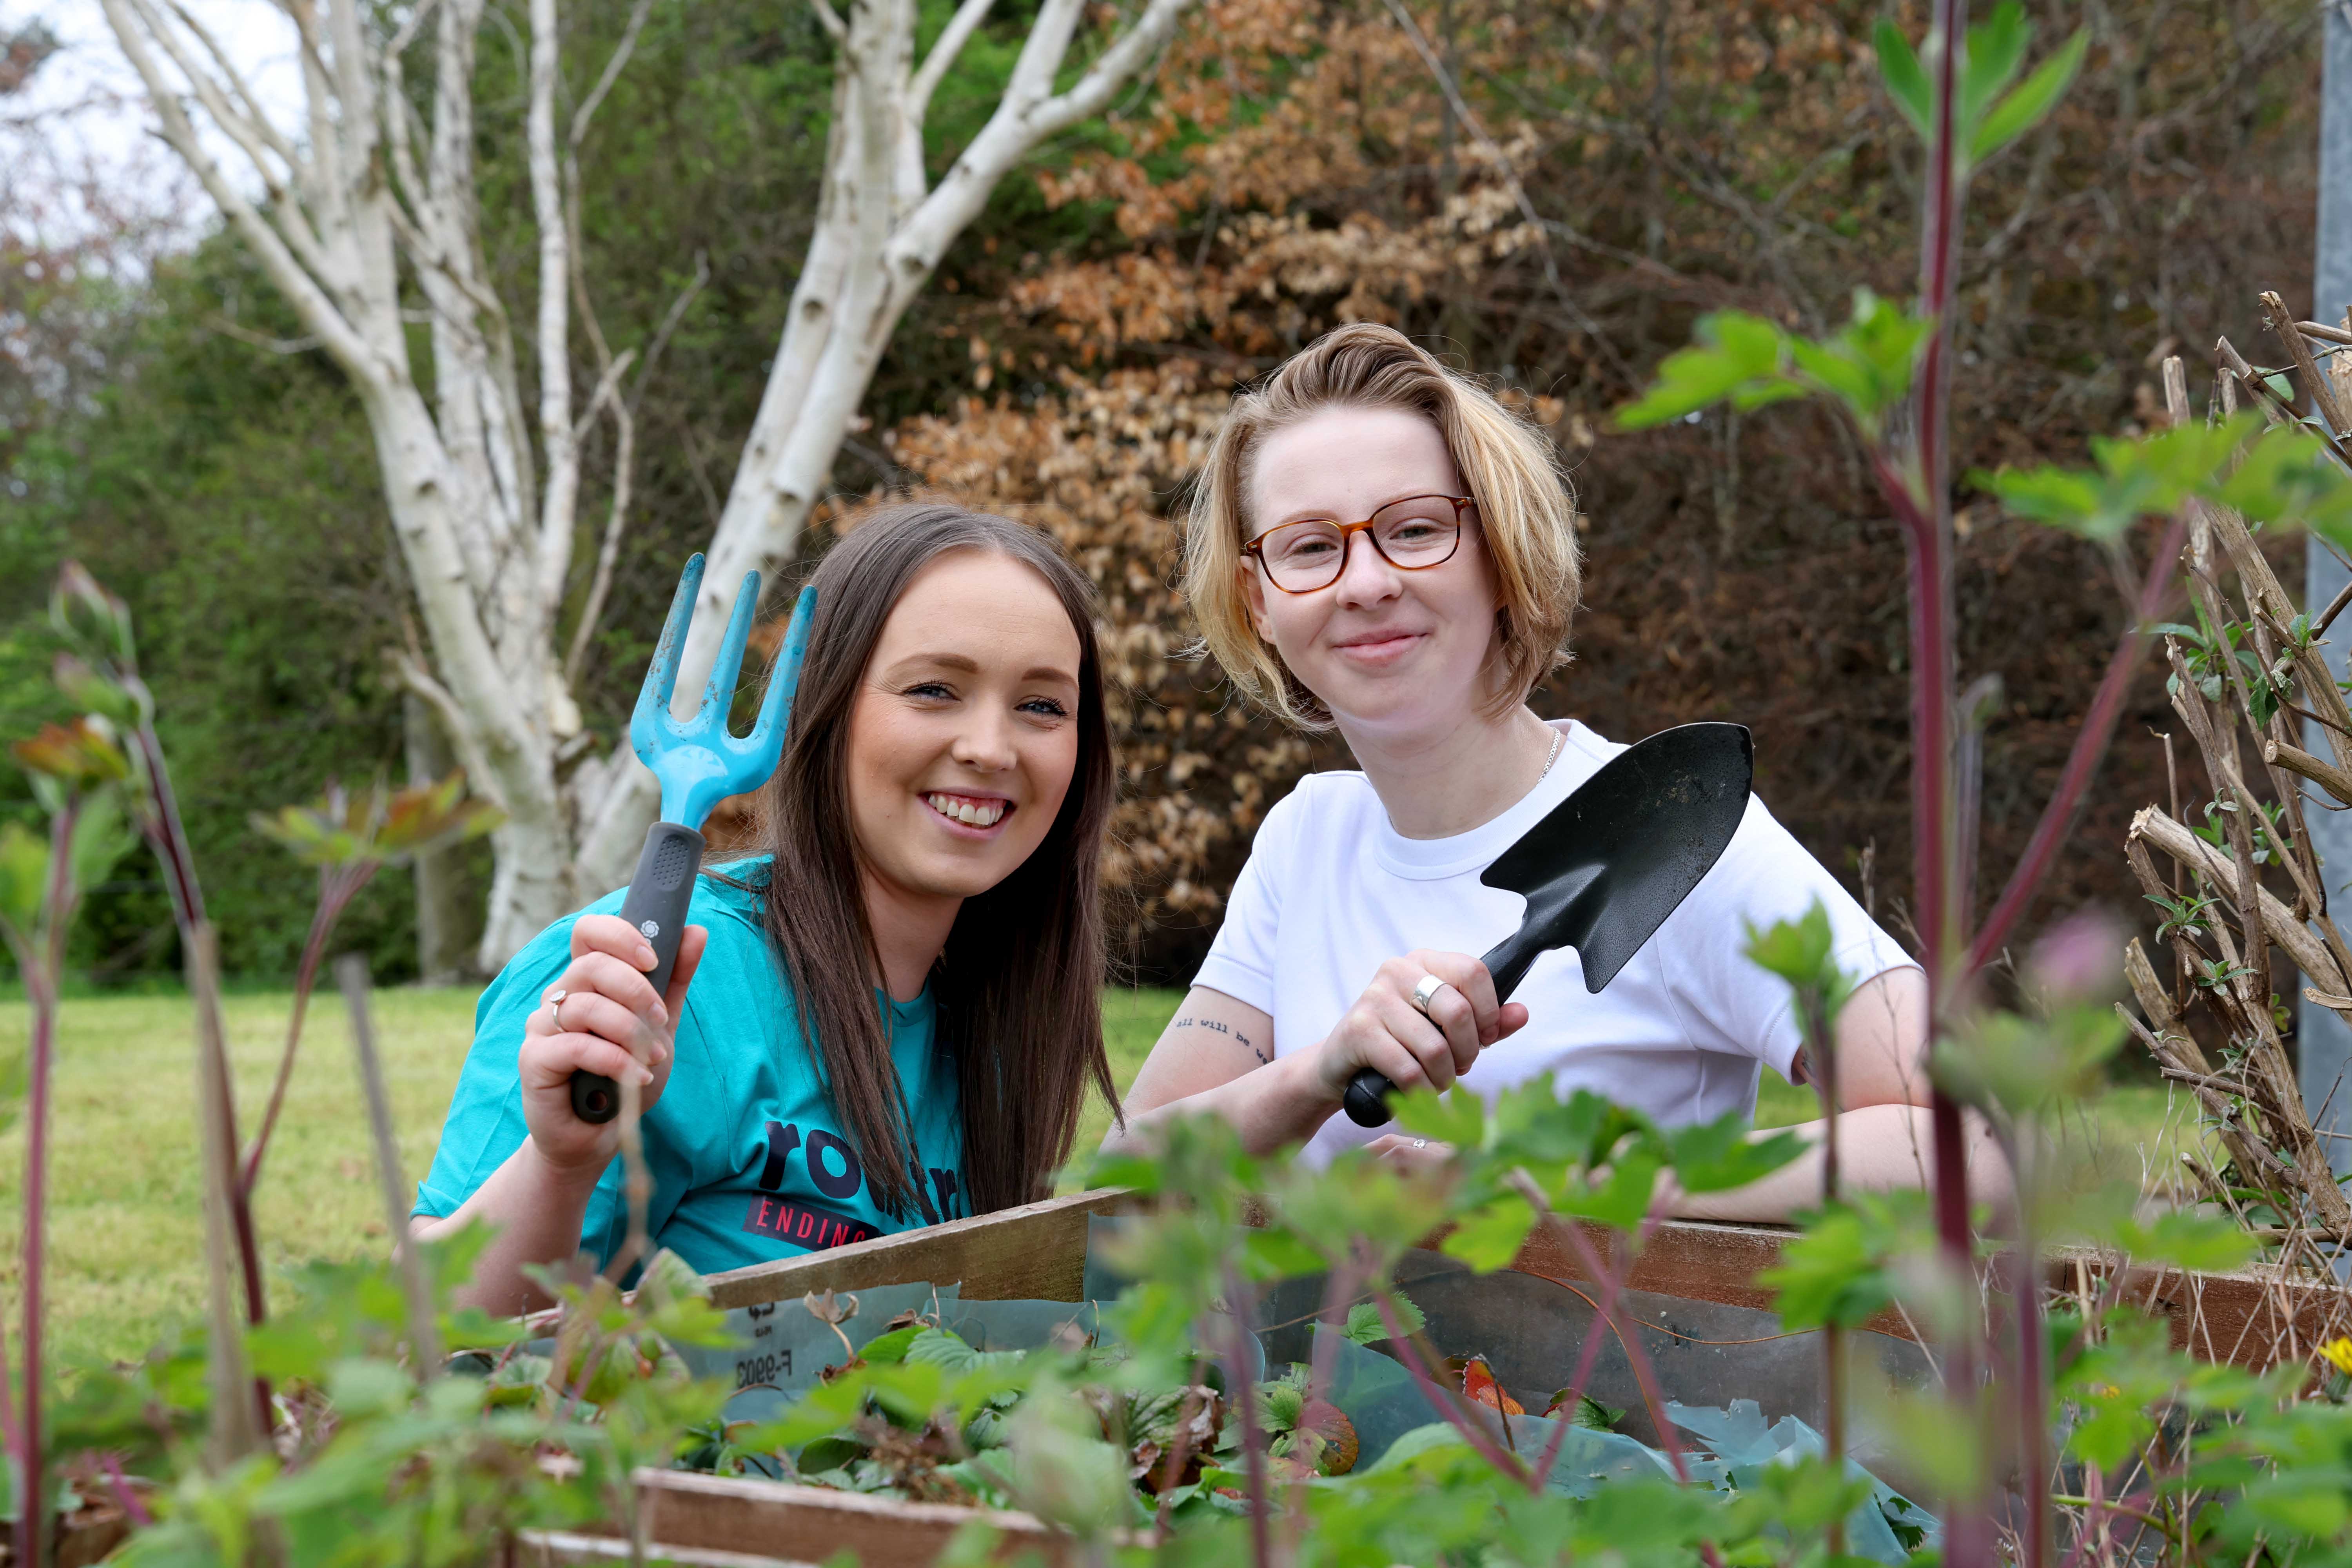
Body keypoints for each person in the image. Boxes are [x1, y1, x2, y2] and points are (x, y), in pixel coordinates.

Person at [1105, 323, 2003, 1221]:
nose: (1365, 582)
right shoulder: (1306, 841)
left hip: (1626, 1358)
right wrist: (1320, 1069)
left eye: (1415, 529)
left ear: (1497, 553)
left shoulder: (1672, 826)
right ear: (1258, 601)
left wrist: (1560, 1184)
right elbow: (1123, 1179)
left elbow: (1977, 1147)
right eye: (1308, 546)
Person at [414, 504, 1119, 1314]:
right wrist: (562, 1164)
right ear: (818, 706)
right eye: (934, 689)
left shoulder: (1001, 1027)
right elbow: (420, 1341)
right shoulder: (652, 983)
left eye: (1041, 706)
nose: (992, 748)